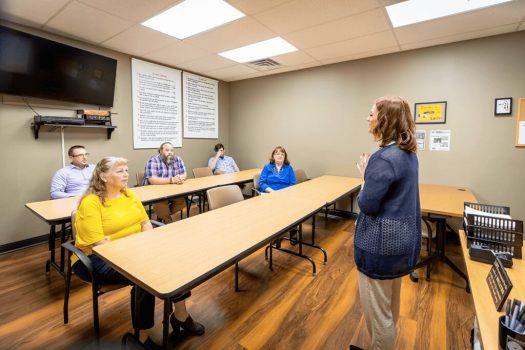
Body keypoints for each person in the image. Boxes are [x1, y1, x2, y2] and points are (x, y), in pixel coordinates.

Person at [73, 157, 204, 339]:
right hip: (95, 258)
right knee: (145, 274)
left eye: (126, 170)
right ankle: (141, 335)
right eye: (120, 171)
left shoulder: (128, 194)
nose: (126, 174)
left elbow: (145, 222)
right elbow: (99, 244)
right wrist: (138, 251)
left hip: (134, 248)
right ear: (103, 177)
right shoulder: (91, 202)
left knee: (171, 259)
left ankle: (180, 316)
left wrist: (147, 245)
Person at [353, 96, 420, 349]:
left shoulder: (383, 159)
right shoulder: (407, 154)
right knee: (389, 306)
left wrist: (364, 178)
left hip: (379, 248)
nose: (368, 118)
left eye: (371, 114)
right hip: (399, 244)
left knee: (378, 318)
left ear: (384, 119)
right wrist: (369, 176)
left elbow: (367, 204)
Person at [142, 142, 187, 223]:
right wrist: (172, 180)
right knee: (161, 204)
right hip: (154, 190)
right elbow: (152, 180)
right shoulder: (153, 160)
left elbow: (184, 174)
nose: (170, 152)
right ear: (160, 151)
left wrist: (180, 178)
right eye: (167, 150)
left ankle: (161, 216)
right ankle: (168, 222)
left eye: (172, 150)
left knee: (182, 202)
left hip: (171, 189)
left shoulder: (177, 159)